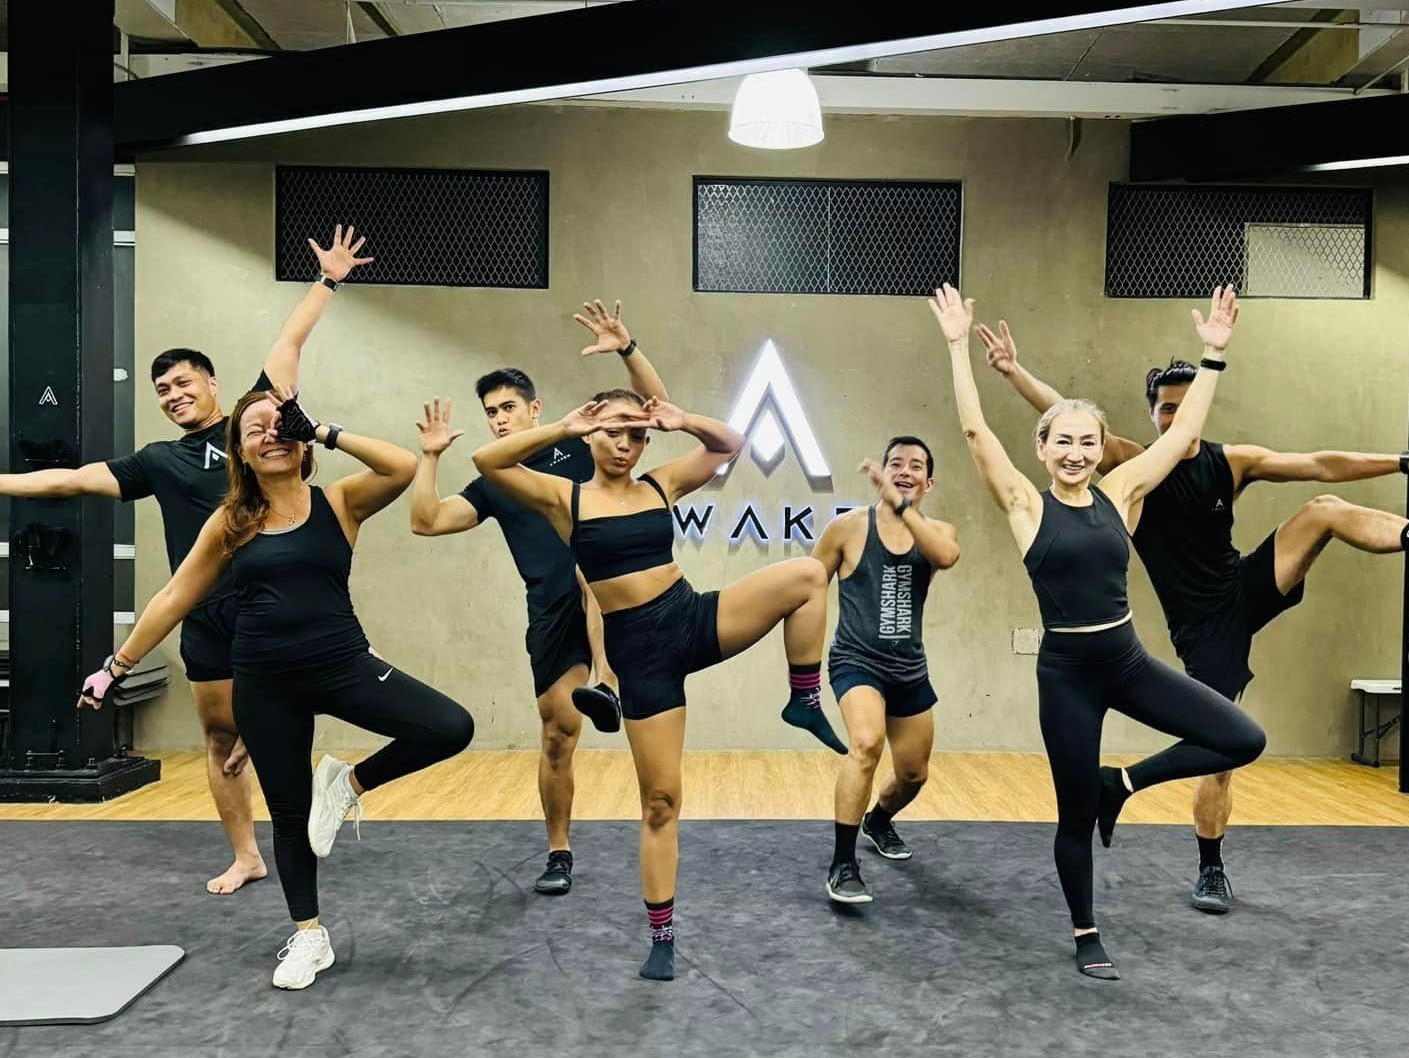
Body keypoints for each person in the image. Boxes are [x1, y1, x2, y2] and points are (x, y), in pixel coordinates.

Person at [976, 318, 1409, 916]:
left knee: (1323, 508)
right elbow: (1065, 416)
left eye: (1185, 406)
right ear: (1153, 414)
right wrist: (1013, 373)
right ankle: (1209, 865)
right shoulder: (1133, 467)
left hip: (1245, 586)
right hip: (1203, 627)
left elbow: (1319, 463)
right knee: (1223, 755)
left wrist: (1404, 461)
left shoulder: (1232, 461)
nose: (1175, 416)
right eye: (1165, 408)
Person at [2, 222, 370, 894]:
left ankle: (300, 832)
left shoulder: (253, 428)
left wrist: (328, 280)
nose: (174, 396)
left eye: (182, 382)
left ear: (211, 383)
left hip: (270, 606)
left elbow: (288, 343)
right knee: (220, 739)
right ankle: (246, 855)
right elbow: (72, 480)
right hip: (206, 616)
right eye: (163, 391)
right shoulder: (157, 460)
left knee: (276, 729)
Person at [81, 386, 474, 991]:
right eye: (255, 430)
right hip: (265, 684)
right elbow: (175, 596)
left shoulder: (339, 501)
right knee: (290, 814)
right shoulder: (230, 522)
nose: (271, 435)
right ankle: (309, 935)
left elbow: (399, 466)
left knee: (449, 726)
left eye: (281, 425)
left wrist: (320, 428)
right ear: (239, 451)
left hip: (343, 663)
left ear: (301, 438)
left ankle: (347, 784)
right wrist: (117, 666)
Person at [932, 281, 1264, 982]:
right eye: (1064, 441)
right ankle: (1086, 932)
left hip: (1127, 662)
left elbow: (1181, 436)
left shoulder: (1121, 492)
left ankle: (1126, 783)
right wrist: (958, 346)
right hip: (1067, 678)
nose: (1077, 452)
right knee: (1074, 814)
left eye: (1088, 441)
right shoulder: (1025, 506)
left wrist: (1213, 355)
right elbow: (975, 433)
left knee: (1242, 737)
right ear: (1043, 448)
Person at [472, 388, 847, 981]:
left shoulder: (659, 484)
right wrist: (565, 426)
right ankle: (662, 937)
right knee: (661, 802)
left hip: (691, 618)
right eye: (613, 432)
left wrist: (681, 419)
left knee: (806, 575)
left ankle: (803, 698)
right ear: (591, 435)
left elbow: (730, 444)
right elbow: (488, 462)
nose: (625, 444)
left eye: (637, 434)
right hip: (641, 656)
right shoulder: (566, 497)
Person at [409, 299, 669, 897]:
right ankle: (558, 850)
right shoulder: (496, 480)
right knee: (557, 734)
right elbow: (427, 521)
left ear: (535, 408)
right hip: (550, 612)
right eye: (491, 413)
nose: (500, 420)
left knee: (589, 572)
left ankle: (608, 681)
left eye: (509, 408)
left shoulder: (579, 447)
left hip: (614, 595)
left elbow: (654, 413)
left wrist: (628, 349)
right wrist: (429, 457)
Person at [813, 440, 959, 908]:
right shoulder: (847, 528)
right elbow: (808, 588)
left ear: (928, 483)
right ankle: (843, 864)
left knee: (913, 773)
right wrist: (801, 668)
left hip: (909, 668)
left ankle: (878, 820)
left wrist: (902, 508)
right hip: (855, 660)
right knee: (866, 743)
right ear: (882, 471)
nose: (904, 470)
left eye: (916, 466)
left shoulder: (938, 532)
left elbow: (945, 556)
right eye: (895, 463)